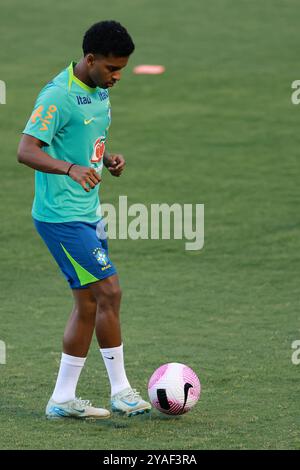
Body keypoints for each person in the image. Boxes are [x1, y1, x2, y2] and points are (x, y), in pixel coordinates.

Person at [17, 20, 151, 419]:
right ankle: (122, 390)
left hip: (88, 213)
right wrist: (70, 169)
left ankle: (62, 399)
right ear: (90, 59)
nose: (117, 77)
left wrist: (105, 158)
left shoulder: (97, 91)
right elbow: (26, 150)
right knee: (109, 291)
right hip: (61, 218)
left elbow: (88, 137)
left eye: (121, 70)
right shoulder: (58, 95)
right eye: (111, 69)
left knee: (89, 303)